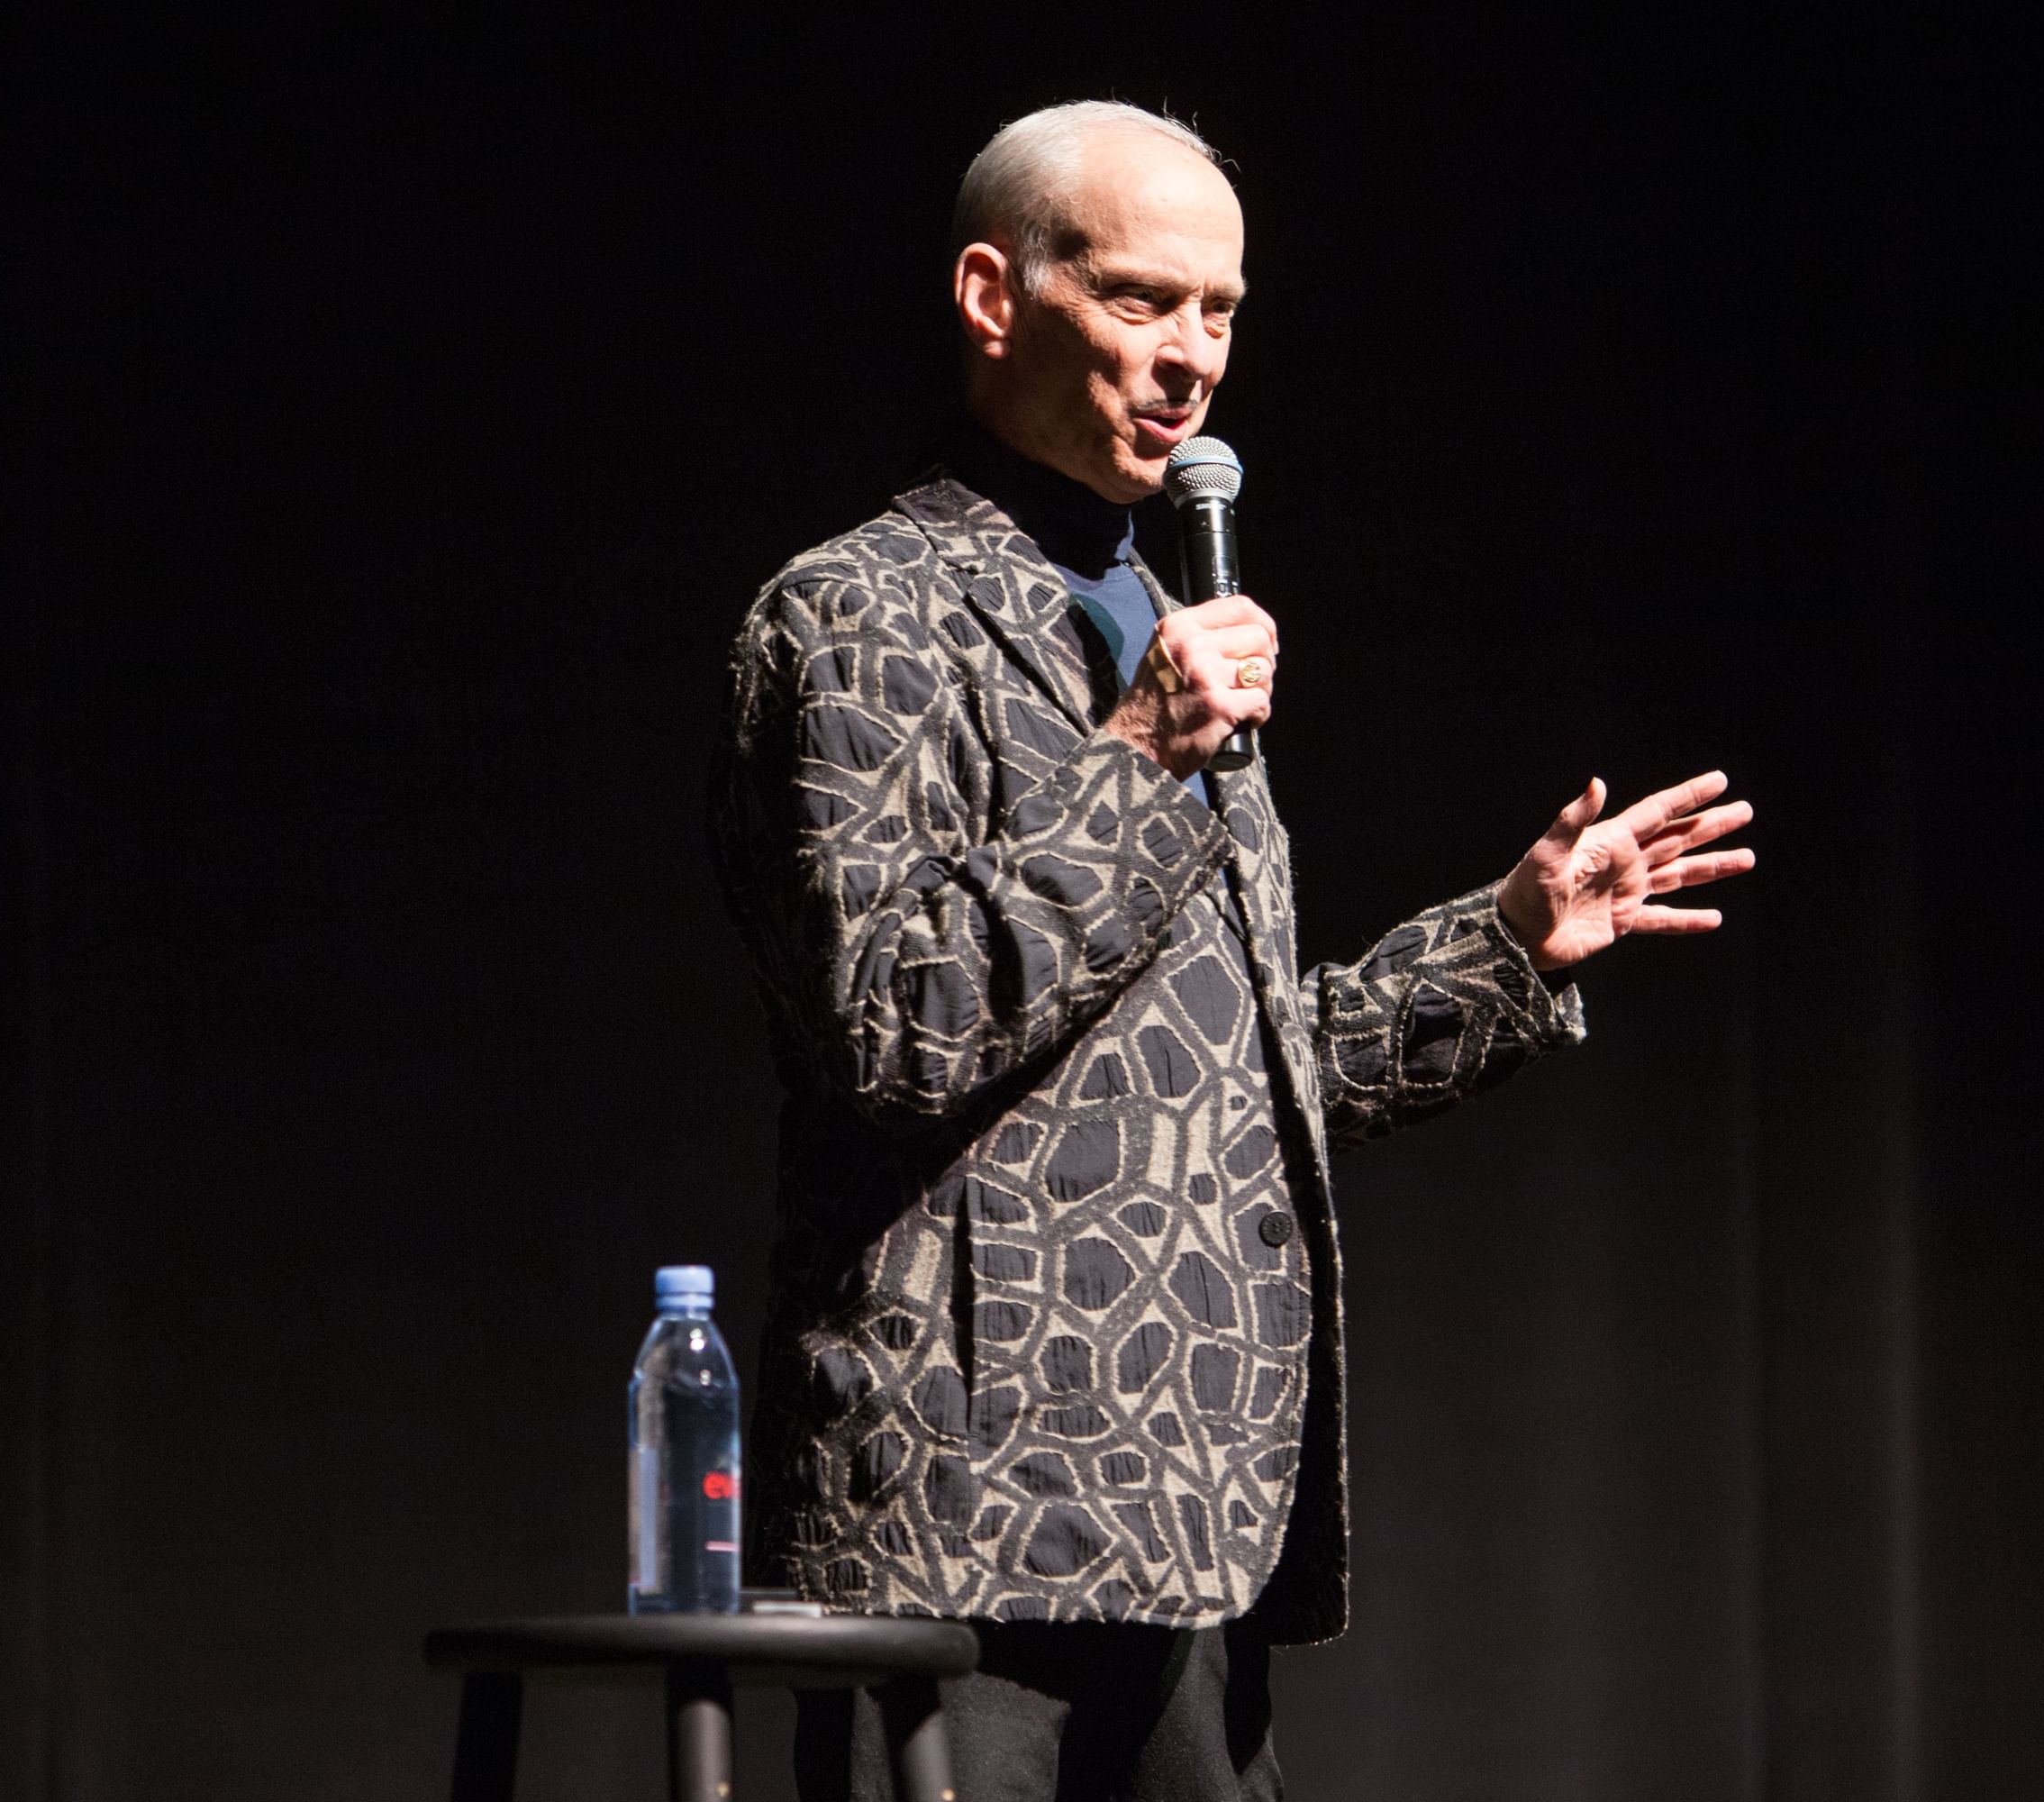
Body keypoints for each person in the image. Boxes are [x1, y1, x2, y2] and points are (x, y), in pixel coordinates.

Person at [707, 100, 1753, 1802]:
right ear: (995, 295)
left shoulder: (1161, 628)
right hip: (971, 1514)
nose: (1193, 359)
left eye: (1222, 311)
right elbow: (891, 1035)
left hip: (1188, 1513)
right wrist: (1128, 760)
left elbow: (1243, 1078)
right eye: (1139, 300)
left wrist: (1510, 945)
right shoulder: (857, 614)